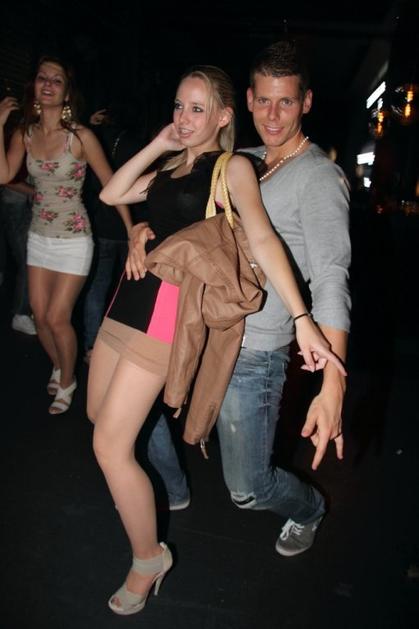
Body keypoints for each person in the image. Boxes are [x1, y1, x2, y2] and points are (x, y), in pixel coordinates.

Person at [86, 63, 345, 616]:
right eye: (179, 106)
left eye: (197, 109)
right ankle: (165, 492)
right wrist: (162, 144)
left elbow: (263, 238)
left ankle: (148, 558)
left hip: (169, 312)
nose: (184, 117)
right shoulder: (172, 165)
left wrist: (303, 318)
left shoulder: (233, 167)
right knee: (96, 415)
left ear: (225, 116)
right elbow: (111, 193)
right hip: (129, 298)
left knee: (110, 445)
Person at [135, 39, 351, 555]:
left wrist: (333, 384)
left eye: (286, 102)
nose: (273, 115)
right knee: (133, 413)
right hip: (198, 324)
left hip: (254, 348)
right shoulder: (242, 160)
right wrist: (145, 229)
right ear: (248, 100)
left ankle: (310, 508)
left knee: (247, 488)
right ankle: (173, 489)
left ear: (306, 102)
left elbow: (331, 278)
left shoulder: (318, 178)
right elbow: (186, 210)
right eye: (264, 101)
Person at [0, 55, 132, 414]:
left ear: (67, 92)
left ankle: (68, 379)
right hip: (39, 236)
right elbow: (4, 174)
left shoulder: (80, 137)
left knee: (58, 318)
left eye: (56, 80)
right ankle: (60, 365)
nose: (48, 84)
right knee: (39, 317)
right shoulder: (25, 134)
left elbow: (111, 183)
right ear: (34, 86)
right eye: (42, 78)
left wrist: (131, 229)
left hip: (75, 239)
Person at [82, 103, 144, 364]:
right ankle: (116, 347)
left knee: (98, 286)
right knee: (125, 288)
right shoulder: (134, 144)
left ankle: (91, 345)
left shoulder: (93, 140)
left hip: (102, 222)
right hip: (127, 223)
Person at [0, 162, 37, 335]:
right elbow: (5, 178)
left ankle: (27, 311)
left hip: (28, 205)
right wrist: (36, 192)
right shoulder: (16, 144)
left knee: (32, 260)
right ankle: (21, 314)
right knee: (28, 260)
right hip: (15, 203)